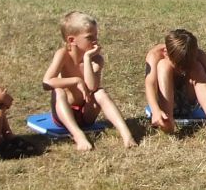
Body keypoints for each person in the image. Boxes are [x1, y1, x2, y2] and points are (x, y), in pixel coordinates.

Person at [41, 11, 135, 151]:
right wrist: (76, 81)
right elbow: (46, 83)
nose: (95, 41)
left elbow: (92, 87)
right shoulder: (63, 55)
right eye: (89, 37)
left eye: (96, 36)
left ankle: (126, 134)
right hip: (64, 115)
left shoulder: (96, 59)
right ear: (71, 40)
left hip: (86, 114)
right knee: (58, 91)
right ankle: (78, 135)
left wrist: (87, 59)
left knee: (100, 92)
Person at [144, 29, 206, 136]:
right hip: (164, 104)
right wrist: (155, 109)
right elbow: (150, 84)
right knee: (163, 65)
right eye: (178, 66)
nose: (182, 70)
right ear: (166, 53)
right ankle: (168, 121)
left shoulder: (197, 55)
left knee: (197, 67)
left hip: (188, 102)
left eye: (186, 67)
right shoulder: (155, 55)